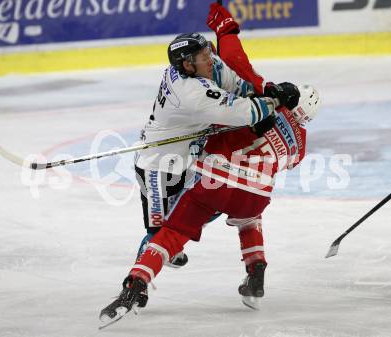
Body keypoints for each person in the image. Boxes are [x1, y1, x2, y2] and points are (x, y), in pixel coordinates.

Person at [98, 84, 320, 324]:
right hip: (255, 195)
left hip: (215, 184)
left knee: (172, 234)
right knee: (249, 217)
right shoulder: (301, 142)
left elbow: (218, 118)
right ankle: (256, 270)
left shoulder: (253, 105)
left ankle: (135, 285)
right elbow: (286, 162)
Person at [133, 31, 296, 270]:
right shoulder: (191, 93)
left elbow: (240, 88)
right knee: (158, 235)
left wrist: (267, 90)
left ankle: (171, 242)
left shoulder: (208, 66)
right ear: (187, 65)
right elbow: (241, 111)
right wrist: (272, 103)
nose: (210, 59)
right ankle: (138, 280)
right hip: (157, 164)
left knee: (212, 201)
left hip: (192, 157)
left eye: (208, 52)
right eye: (203, 56)